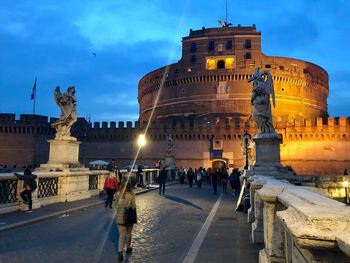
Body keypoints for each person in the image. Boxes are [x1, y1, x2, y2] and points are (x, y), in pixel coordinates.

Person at [116, 178, 137, 262]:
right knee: (128, 234)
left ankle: (120, 253)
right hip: (128, 217)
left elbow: (116, 205)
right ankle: (128, 248)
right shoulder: (131, 194)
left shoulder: (117, 194)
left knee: (121, 235)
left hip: (120, 217)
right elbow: (133, 206)